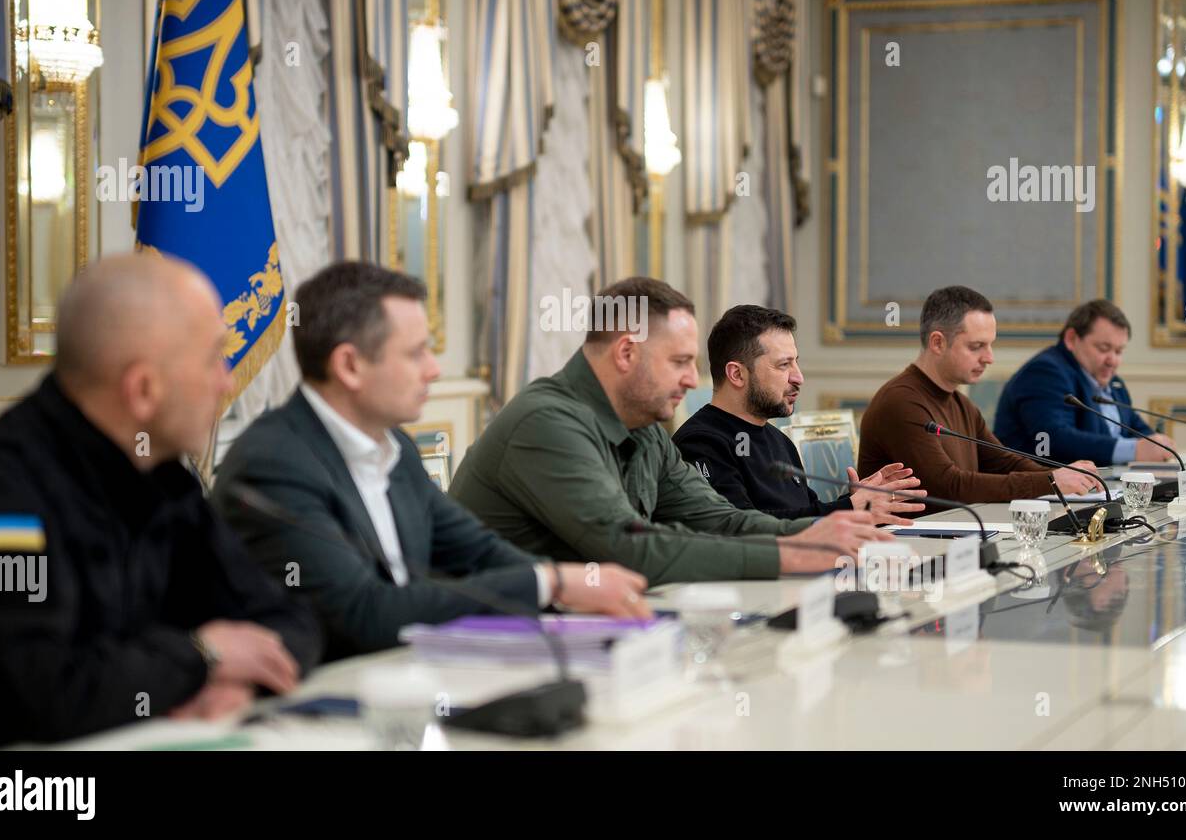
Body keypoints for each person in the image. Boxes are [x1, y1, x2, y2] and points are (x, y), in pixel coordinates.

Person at [0, 254, 320, 749]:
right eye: (212, 358)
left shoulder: (161, 475)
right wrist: (200, 658)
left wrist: (234, 682)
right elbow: (41, 694)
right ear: (143, 390)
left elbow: (287, 622)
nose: (226, 382)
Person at [212, 263, 651, 661]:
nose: (434, 370)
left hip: (404, 679)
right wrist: (553, 583)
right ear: (349, 365)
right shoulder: (273, 463)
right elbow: (365, 614)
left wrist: (572, 588)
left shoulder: (395, 448)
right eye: (416, 352)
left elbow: (478, 552)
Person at [450, 277, 895, 585]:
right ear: (626, 353)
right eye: (680, 362)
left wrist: (820, 533)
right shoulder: (546, 423)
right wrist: (792, 552)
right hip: (489, 645)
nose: (690, 380)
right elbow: (628, 548)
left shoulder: (646, 430)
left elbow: (722, 520)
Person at [673, 304, 924, 520]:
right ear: (737, 374)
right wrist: (849, 508)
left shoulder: (778, 439)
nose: (799, 377)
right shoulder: (701, 443)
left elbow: (807, 513)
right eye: (784, 365)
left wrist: (854, 499)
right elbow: (739, 526)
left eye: (796, 361)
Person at [857, 285, 1097, 509]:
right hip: (906, 546)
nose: (989, 358)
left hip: (954, 535)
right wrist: (1051, 481)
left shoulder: (960, 402)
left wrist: (1066, 476)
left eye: (990, 345)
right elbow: (948, 487)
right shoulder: (901, 402)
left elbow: (1004, 463)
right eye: (976, 346)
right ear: (938, 342)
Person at [993, 299, 1175, 465]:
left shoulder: (1113, 383)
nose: (1112, 360)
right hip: (1038, 493)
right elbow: (1054, 439)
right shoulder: (1045, 372)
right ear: (1072, 339)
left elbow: (1132, 425)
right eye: (1104, 348)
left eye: (1119, 351)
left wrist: (1157, 444)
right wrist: (1133, 450)